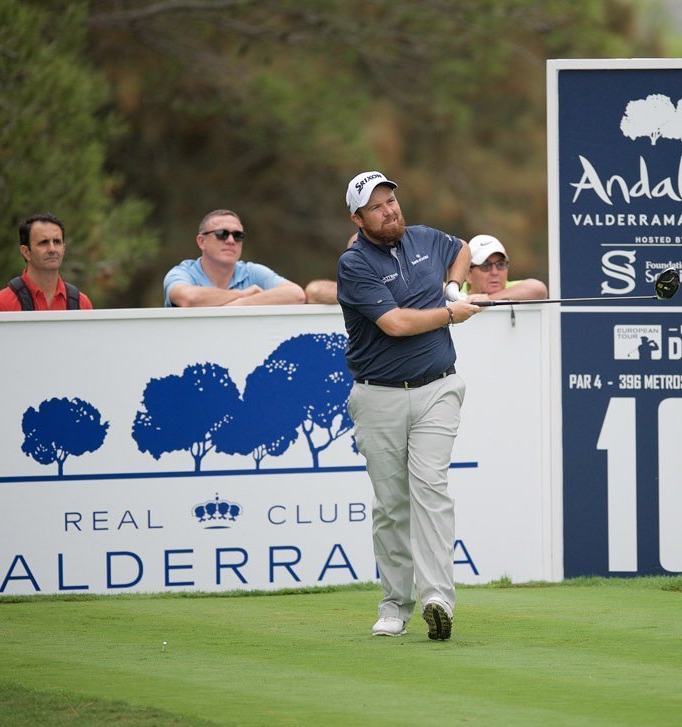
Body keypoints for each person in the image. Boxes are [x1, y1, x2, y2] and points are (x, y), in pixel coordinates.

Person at [337, 171, 481, 641]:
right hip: (378, 394)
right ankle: (394, 604)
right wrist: (449, 313)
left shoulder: (424, 239)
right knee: (393, 505)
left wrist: (455, 286)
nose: (391, 210)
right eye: (377, 207)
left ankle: (438, 598)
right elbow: (395, 323)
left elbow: (462, 249)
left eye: (392, 201)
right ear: (358, 219)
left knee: (431, 490)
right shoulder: (355, 263)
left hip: (438, 387)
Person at [163, 209, 306, 306]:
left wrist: (239, 304)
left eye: (238, 235)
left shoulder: (252, 272)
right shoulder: (182, 273)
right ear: (202, 242)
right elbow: (189, 298)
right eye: (222, 234)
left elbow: (296, 294)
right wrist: (242, 293)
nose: (231, 240)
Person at [0, 213, 94, 311]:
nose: (52, 249)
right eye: (43, 243)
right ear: (26, 252)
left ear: (64, 248)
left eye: (57, 242)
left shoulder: (82, 304)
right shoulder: (3, 305)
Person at [461, 234, 548, 302]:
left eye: (501, 264)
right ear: (468, 274)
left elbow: (539, 289)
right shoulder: (456, 298)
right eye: (485, 266)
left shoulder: (511, 288)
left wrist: (488, 299)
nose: (495, 272)